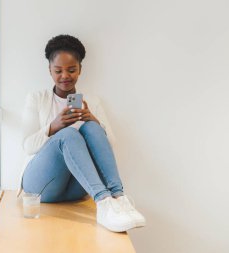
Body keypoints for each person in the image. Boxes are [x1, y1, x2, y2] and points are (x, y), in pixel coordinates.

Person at [18, 34, 145, 232]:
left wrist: (92, 119)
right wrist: (53, 127)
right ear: (49, 70)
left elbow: (109, 146)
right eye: (58, 70)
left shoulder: (91, 101)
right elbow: (27, 146)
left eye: (71, 70)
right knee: (68, 135)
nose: (65, 76)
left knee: (93, 128)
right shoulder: (36, 99)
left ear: (80, 70)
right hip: (41, 186)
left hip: (77, 188)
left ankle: (119, 199)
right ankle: (104, 202)